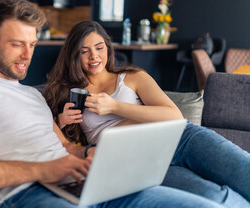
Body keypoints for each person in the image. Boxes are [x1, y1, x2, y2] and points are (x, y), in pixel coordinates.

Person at [0, 0, 234, 208]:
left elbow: (67, 147)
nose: (27, 55)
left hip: (93, 183)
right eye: (17, 44)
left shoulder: (32, 96)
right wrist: (43, 170)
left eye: (32, 44)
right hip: (30, 193)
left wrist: (88, 155)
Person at [43, 20, 250, 208]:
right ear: (74, 55)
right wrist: (62, 122)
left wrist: (114, 106)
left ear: (108, 47)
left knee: (245, 173)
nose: (94, 56)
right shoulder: (67, 92)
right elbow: (58, 141)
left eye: (99, 47)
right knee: (214, 198)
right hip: (140, 160)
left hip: (181, 139)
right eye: (84, 51)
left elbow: (174, 116)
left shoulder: (132, 76)